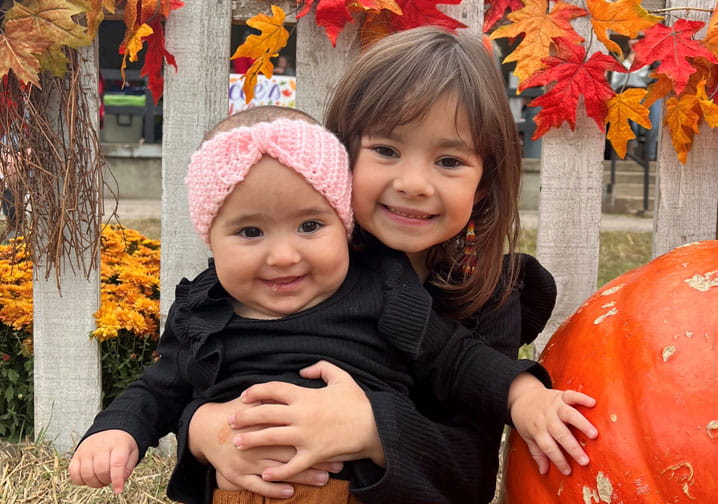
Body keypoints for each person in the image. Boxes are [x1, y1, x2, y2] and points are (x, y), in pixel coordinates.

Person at [68, 104, 597, 503]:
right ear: (212, 239)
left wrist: (522, 393)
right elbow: (158, 388)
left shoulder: (381, 292)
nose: (282, 255)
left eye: (310, 226)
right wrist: (116, 431)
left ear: (344, 225)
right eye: (250, 231)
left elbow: (458, 360)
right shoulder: (204, 311)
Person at [180, 27, 599, 504]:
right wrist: (203, 428)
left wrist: (372, 429)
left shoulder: (491, 299)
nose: (414, 183)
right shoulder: (295, 271)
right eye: (386, 150)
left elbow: (471, 476)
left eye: (448, 160)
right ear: (339, 158)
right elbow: (187, 379)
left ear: (483, 185)